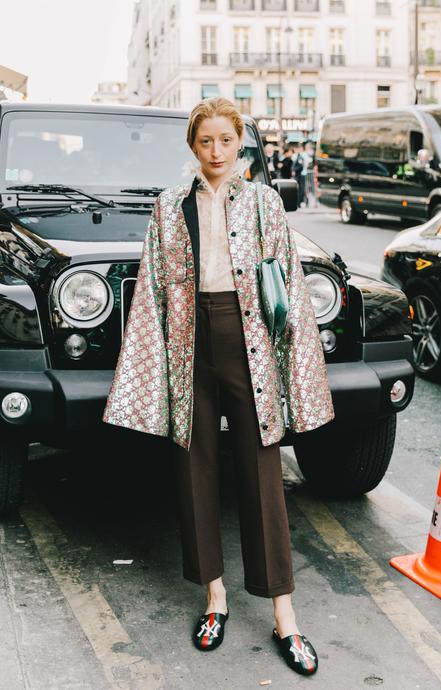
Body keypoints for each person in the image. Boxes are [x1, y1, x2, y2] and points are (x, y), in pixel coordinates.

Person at [102, 97, 334, 677]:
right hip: (189, 342)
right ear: (192, 146)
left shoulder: (263, 202)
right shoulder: (169, 207)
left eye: (226, 141)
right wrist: (147, 371)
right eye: (205, 142)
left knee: (262, 467)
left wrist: (289, 364)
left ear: (241, 143)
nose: (216, 153)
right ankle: (215, 599)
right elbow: (153, 291)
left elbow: (289, 285)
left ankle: (285, 614)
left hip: (248, 337)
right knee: (195, 467)